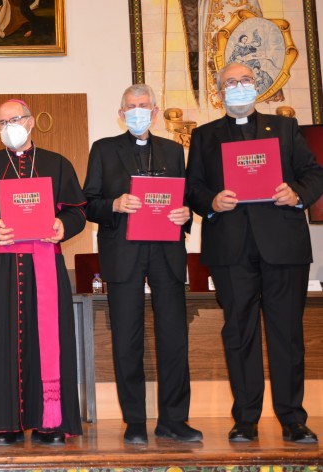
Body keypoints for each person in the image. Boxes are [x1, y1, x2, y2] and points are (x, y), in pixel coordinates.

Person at [186, 62, 323, 444]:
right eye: (230, 82)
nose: (239, 87)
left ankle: (292, 418)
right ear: (220, 91)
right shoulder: (204, 136)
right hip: (231, 249)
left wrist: (297, 193)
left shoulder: (284, 128)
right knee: (239, 335)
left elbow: (314, 174)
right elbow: (192, 188)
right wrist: (212, 201)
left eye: (245, 80)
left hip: (283, 248)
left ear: (257, 85)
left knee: (287, 335)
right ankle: (245, 419)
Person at [0, 99, 85, 446]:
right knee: (2, 338)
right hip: (2, 266)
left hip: (45, 264)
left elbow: (78, 213)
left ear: (30, 122)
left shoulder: (57, 164)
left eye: (14, 119)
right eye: (1, 122)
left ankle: (50, 422)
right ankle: (5, 423)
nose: (8, 126)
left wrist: (62, 226)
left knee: (49, 340)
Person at [83, 84, 202, 444]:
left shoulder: (172, 150)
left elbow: (184, 199)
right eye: (130, 107)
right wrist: (115, 205)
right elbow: (88, 203)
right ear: (121, 114)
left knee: (174, 339)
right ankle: (134, 421)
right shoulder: (103, 149)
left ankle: (174, 420)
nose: (137, 111)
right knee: (127, 339)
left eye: (144, 106)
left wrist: (186, 215)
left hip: (166, 253)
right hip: (123, 253)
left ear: (154, 112)